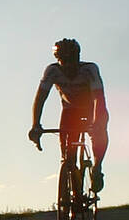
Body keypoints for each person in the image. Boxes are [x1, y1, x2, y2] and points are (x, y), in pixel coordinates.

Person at [28, 38, 109, 192]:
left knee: (99, 132)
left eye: (73, 61)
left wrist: (98, 122)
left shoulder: (89, 69)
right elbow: (40, 99)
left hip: (92, 108)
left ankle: (97, 168)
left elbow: (99, 98)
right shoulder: (52, 71)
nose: (70, 66)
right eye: (65, 61)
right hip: (70, 110)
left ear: (78, 58)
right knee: (67, 155)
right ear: (59, 60)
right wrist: (35, 125)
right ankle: (71, 174)